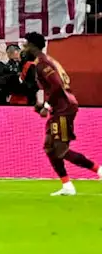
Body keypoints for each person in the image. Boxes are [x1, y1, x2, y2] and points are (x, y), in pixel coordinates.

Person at [23, 33, 99, 197]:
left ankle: (99, 170)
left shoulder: (43, 64)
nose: (24, 48)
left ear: (33, 47)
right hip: (61, 107)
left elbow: (56, 85)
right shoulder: (47, 61)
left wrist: (47, 106)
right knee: (50, 148)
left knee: (60, 150)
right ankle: (67, 185)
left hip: (64, 108)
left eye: (26, 45)